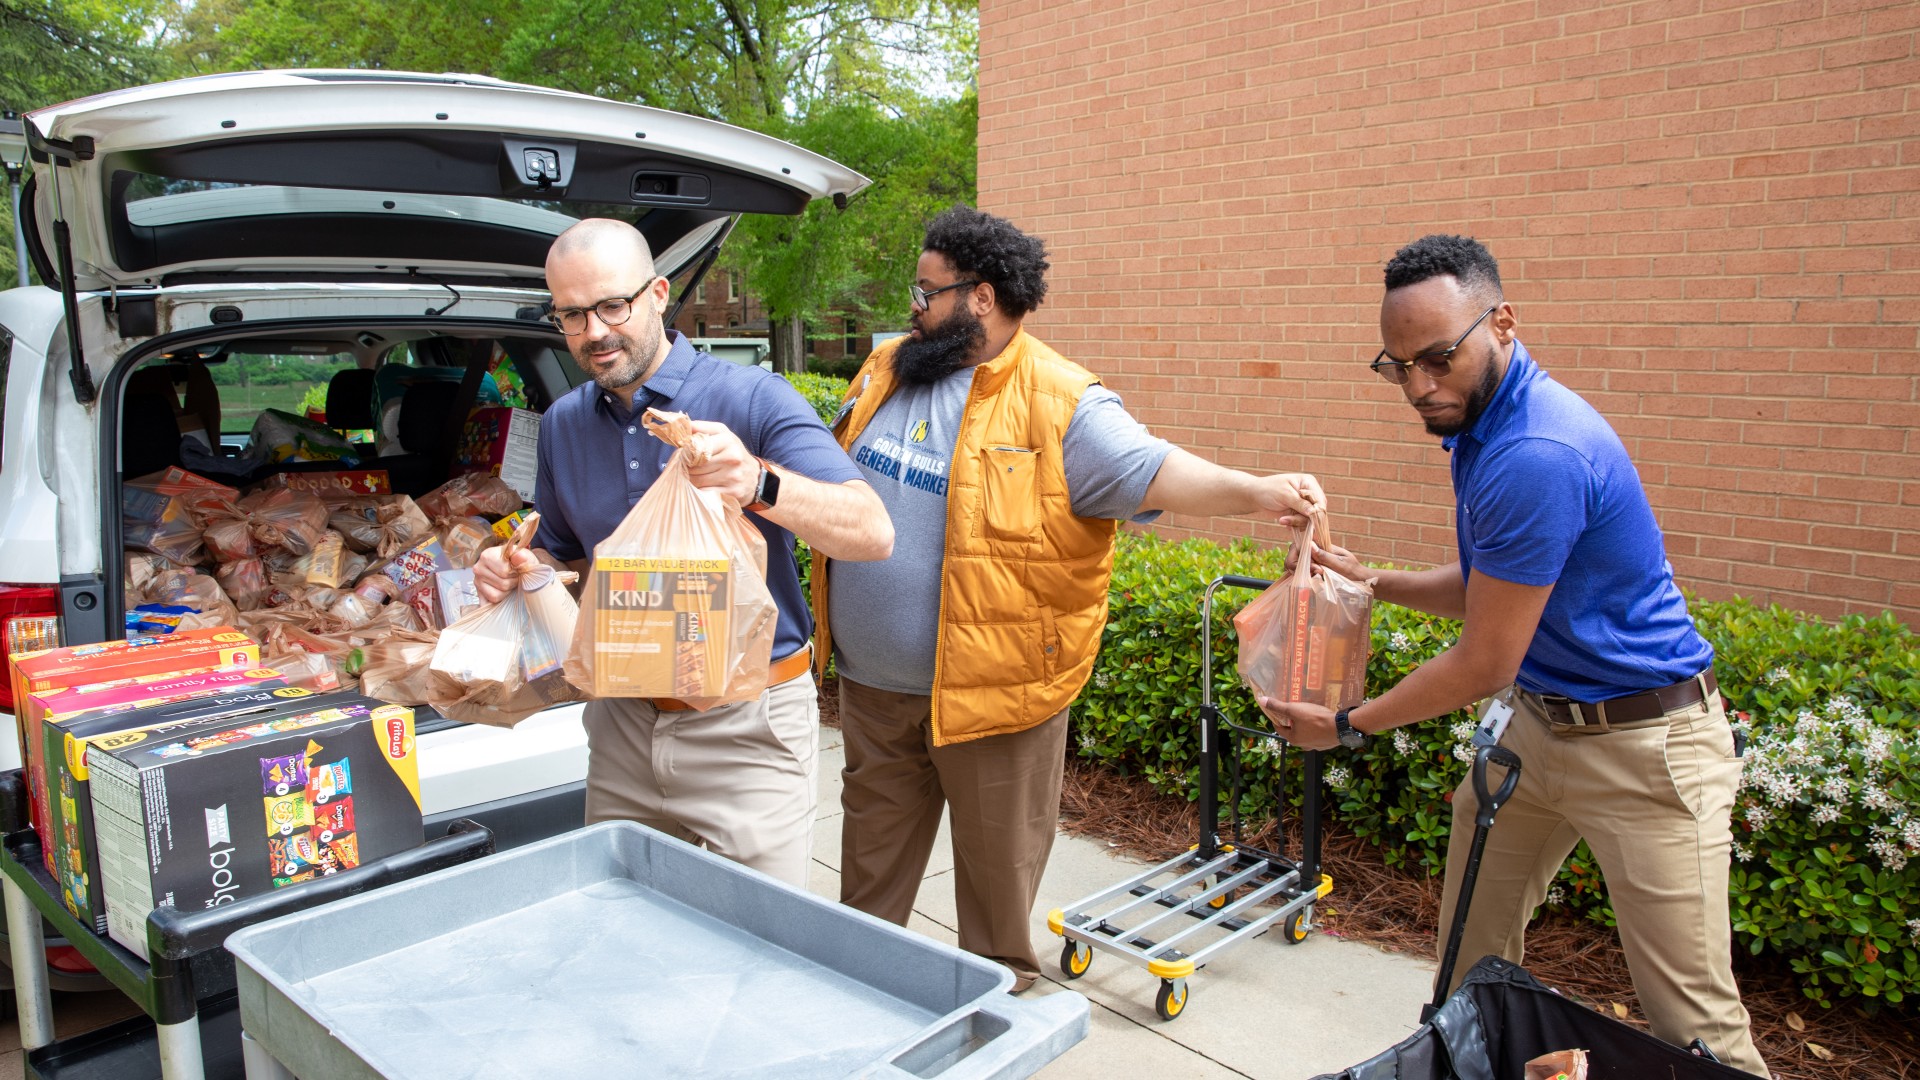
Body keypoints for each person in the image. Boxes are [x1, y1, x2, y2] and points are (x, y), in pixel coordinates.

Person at [1264, 234, 1768, 1076]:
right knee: (1468, 971)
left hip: (1647, 750)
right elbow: (1498, 581)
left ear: (1502, 321)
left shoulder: (1537, 451)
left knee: (1695, 1026)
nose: (1419, 386)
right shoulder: (1485, 419)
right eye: (1398, 367)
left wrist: (1348, 725)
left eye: (1437, 359)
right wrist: (1375, 582)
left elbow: (1484, 661)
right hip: (1539, 732)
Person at [811, 205, 1326, 991]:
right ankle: (857, 1012)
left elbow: (1155, 471)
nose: (913, 308)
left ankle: (993, 1027)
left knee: (995, 912)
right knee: (864, 902)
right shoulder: (886, 370)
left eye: (927, 292)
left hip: (997, 702)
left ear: (979, 297)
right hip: (877, 695)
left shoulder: (1060, 401)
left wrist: (1255, 491)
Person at [474, 218, 893, 888]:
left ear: (660, 294)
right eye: (573, 315)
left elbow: (872, 531)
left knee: (760, 942)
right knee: (623, 927)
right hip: (622, 723)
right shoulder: (563, 424)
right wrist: (520, 571)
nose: (595, 333)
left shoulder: (753, 398)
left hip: (749, 728)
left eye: (613, 305)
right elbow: (562, 561)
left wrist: (760, 481)